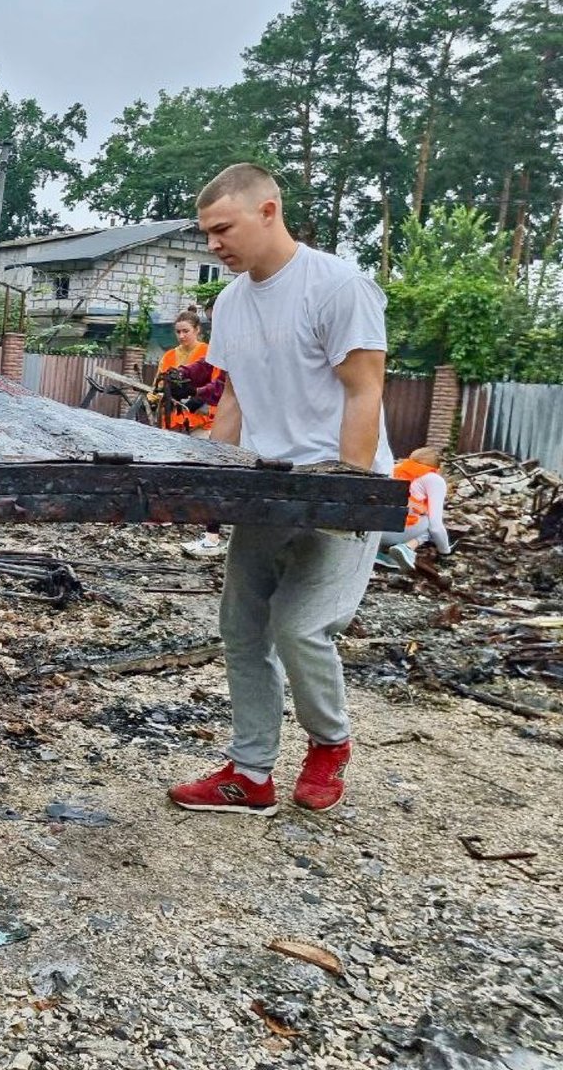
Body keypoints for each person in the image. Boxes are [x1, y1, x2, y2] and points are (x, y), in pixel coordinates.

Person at [169, 163, 391, 817]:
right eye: (206, 233)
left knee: (299, 626)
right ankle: (251, 773)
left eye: (222, 229)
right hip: (266, 488)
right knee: (241, 628)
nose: (213, 244)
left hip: (339, 486)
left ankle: (330, 743)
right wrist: (210, 487)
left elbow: (364, 390)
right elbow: (233, 400)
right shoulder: (230, 301)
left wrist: (344, 495)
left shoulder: (337, 286)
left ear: (269, 211)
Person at [150, 307, 228, 559]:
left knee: (211, 473)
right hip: (175, 420)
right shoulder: (172, 356)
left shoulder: (214, 348)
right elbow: (198, 371)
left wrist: (198, 397)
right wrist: (170, 385)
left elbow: (220, 382)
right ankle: (178, 518)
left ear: (197, 331)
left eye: (186, 331)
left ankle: (213, 535)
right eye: (178, 331)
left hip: (206, 420)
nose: (181, 335)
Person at [377, 446, 452, 571]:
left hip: (373, 529)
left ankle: (378, 554)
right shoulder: (433, 479)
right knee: (430, 520)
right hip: (396, 532)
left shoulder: (394, 468)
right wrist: (445, 551)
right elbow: (435, 527)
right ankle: (407, 548)